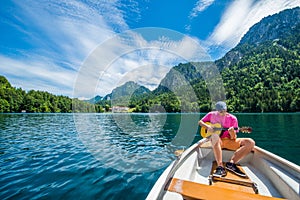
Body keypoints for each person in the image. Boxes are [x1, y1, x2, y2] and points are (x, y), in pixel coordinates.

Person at [198, 101, 255, 177]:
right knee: (215, 136)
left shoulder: (233, 118)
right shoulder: (211, 114)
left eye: (224, 110)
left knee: (250, 142)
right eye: (221, 111)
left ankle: (231, 164)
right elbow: (200, 122)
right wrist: (207, 127)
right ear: (217, 110)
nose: (223, 112)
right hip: (217, 142)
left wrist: (232, 132)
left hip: (229, 141)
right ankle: (220, 167)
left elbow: (234, 138)